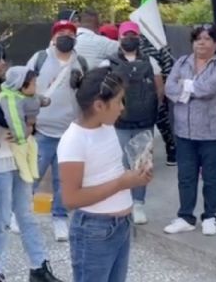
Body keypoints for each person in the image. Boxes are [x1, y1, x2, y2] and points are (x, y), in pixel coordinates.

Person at [0, 39, 63, 282]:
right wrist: (24, 119)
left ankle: (39, 266)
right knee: (1, 220)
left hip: (17, 154)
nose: (3, 63)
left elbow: (25, 114)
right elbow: (3, 118)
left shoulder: (5, 86)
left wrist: (29, 122)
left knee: (26, 214)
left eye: (3, 58)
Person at [58, 67, 153, 282]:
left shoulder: (107, 127)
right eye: (118, 101)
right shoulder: (74, 140)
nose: (122, 107)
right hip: (94, 230)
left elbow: (107, 173)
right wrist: (121, 183)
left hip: (121, 225)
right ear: (99, 105)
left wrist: (135, 176)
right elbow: (71, 199)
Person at [163, 24, 216, 236]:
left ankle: (210, 216)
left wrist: (184, 86)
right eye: (198, 39)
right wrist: (188, 88)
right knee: (186, 176)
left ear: (215, 43)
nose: (201, 42)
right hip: (185, 131)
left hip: (213, 133)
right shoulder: (182, 62)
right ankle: (185, 216)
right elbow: (168, 88)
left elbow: (209, 88)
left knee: (211, 177)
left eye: (207, 39)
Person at [28, 20, 88, 242]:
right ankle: (20, 211)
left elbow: (87, 93)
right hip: (42, 128)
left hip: (69, 130)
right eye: (61, 33)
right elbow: (24, 87)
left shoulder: (80, 62)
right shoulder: (40, 58)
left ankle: (60, 217)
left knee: (63, 179)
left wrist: (81, 84)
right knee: (33, 174)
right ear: (53, 37)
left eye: (70, 33)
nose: (66, 36)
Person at [100, 21, 163, 225]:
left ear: (138, 38)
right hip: (118, 122)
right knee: (120, 163)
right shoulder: (107, 63)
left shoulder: (151, 62)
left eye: (133, 35)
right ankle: (121, 200)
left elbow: (159, 90)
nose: (129, 38)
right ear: (119, 37)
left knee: (143, 163)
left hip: (144, 121)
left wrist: (151, 108)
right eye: (125, 34)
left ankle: (138, 203)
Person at [0, 66, 51, 183]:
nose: (36, 86)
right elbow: (15, 119)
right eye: (34, 84)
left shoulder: (29, 95)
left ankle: (33, 171)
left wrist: (46, 101)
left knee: (33, 148)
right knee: (21, 153)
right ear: (22, 85)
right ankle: (25, 173)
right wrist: (21, 136)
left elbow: (38, 99)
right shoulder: (12, 100)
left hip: (28, 131)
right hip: (19, 135)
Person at [139, 35, 178, 166]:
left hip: (143, 89)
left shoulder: (129, 42)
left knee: (148, 125)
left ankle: (144, 157)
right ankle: (171, 151)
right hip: (156, 87)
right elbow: (168, 68)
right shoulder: (161, 44)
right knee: (163, 121)